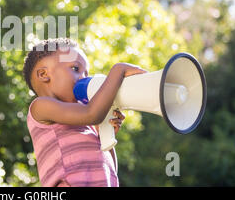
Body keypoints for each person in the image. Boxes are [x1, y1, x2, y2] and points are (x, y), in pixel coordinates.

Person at [23, 38, 147, 187]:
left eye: (86, 73)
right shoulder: (41, 106)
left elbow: (108, 169)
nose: (84, 78)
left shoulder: (87, 122)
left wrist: (104, 135)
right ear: (44, 74)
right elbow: (92, 113)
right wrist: (117, 71)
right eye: (75, 69)